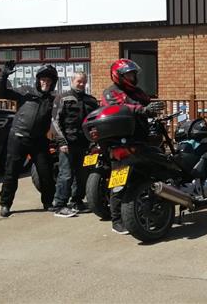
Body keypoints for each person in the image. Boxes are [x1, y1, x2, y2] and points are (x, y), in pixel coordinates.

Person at [102, 58, 164, 234]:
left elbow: (147, 103)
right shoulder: (111, 92)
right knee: (119, 182)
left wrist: (154, 108)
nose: (132, 76)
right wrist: (141, 109)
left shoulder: (138, 92)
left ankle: (144, 211)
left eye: (133, 73)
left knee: (146, 176)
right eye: (129, 74)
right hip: (121, 143)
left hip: (140, 139)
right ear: (119, 76)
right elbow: (118, 108)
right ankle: (117, 220)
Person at [0, 62, 59, 218]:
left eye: (49, 80)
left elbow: (61, 116)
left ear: (53, 83)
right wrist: (3, 75)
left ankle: (48, 202)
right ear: (38, 80)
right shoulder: (25, 91)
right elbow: (2, 92)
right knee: (11, 172)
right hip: (18, 137)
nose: (46, 82)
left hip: (39, 141)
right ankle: (5, 204)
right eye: (43, 79)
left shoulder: (53, 99)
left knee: (45, 173)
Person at [49, 72, 99, 218]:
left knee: (82, 174)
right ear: (72, 81)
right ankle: (59, 205)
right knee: (66, 174)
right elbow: (55, 121)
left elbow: (94, 122)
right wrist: (62, 142)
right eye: (79, 81)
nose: (81, 84)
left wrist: (94, 140)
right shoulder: (63, 98)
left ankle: (77, 201)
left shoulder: (91, 100)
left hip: (85, 144)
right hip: (67, 144)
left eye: (83, 82)